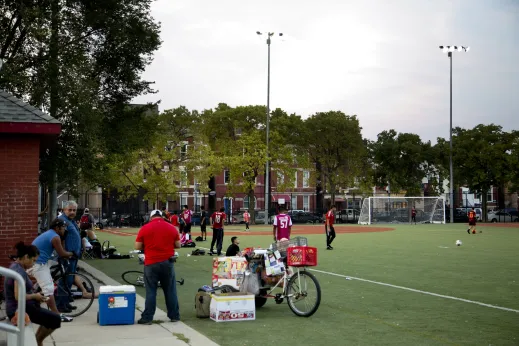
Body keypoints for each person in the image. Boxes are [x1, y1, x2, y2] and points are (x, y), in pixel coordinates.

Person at [5, 242, 62, 346]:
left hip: (22, 307)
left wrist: (37, 296)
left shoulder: (16, 266)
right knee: (56, 319)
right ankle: (38, 340)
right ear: (26, 257)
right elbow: (18, 296)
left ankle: (38, 340)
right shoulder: (19, 272)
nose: (33, 264)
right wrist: (35, 296)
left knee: (51, 318)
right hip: (17, 310)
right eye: (33, 261)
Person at [135, 210, 181, 324]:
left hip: (151, 262)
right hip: (167, 262)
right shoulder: (171, 228)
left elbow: (137, 246)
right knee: (170, 290)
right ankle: (174, 315)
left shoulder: (145, 228)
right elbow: (178, 245)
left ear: (151, 218)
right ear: (162, 216)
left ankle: (147, 317)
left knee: (151, 291)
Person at [30, 218, 74, 322]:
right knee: (48, 289)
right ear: (57, 228)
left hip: (41, 262)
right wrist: (73, 253)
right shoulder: (55, 237)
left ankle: (39, 289)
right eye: (63, 227)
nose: (65, 229)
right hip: (38, 264)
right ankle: (56, 315)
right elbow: (62, 253)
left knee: (55, 266)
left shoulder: (51, 234)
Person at [56, 201, 82, 313]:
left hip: (73, 255)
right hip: (67, 256)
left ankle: (66, 302)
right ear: (64, 210)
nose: (72, 212)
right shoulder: (62, 221)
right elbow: (60, 238)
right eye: (69, 210)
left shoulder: (70, 221)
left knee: (70, 280)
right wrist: (65, 253)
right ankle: (60, 304)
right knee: (65, 280)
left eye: (74, 210)